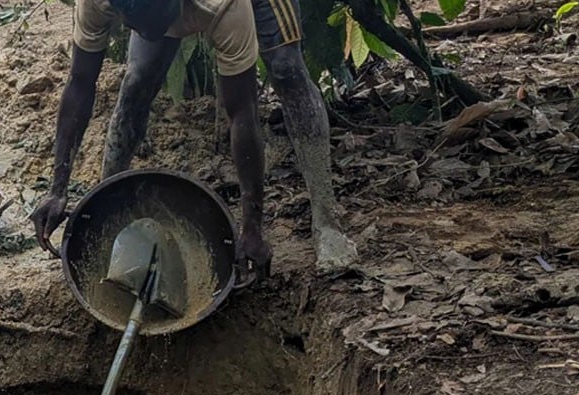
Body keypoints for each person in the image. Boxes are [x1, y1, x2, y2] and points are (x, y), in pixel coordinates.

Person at [32, 0, 356, 282]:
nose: (150, 35)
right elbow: (80, 82)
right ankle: (110, 204)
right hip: (157, 8)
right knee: (137, 80)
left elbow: (243, 112)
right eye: (138, 28)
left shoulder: (223, 5)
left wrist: (252, 228)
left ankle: (327, 223)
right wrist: (57, 189)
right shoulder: (97, 1)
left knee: (287, 70)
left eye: (158, 26)